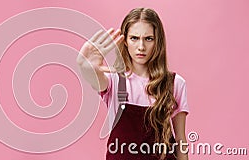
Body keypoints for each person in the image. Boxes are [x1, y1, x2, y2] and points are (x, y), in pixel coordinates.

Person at [76, 8, 189, 160]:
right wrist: (84, 66)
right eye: (134, 38)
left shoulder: (174, 83)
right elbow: (94, 77)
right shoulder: (114, 80)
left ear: (158, 41)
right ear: (125, 41)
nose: (141, 46)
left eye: (148, 38)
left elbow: (181, 140)